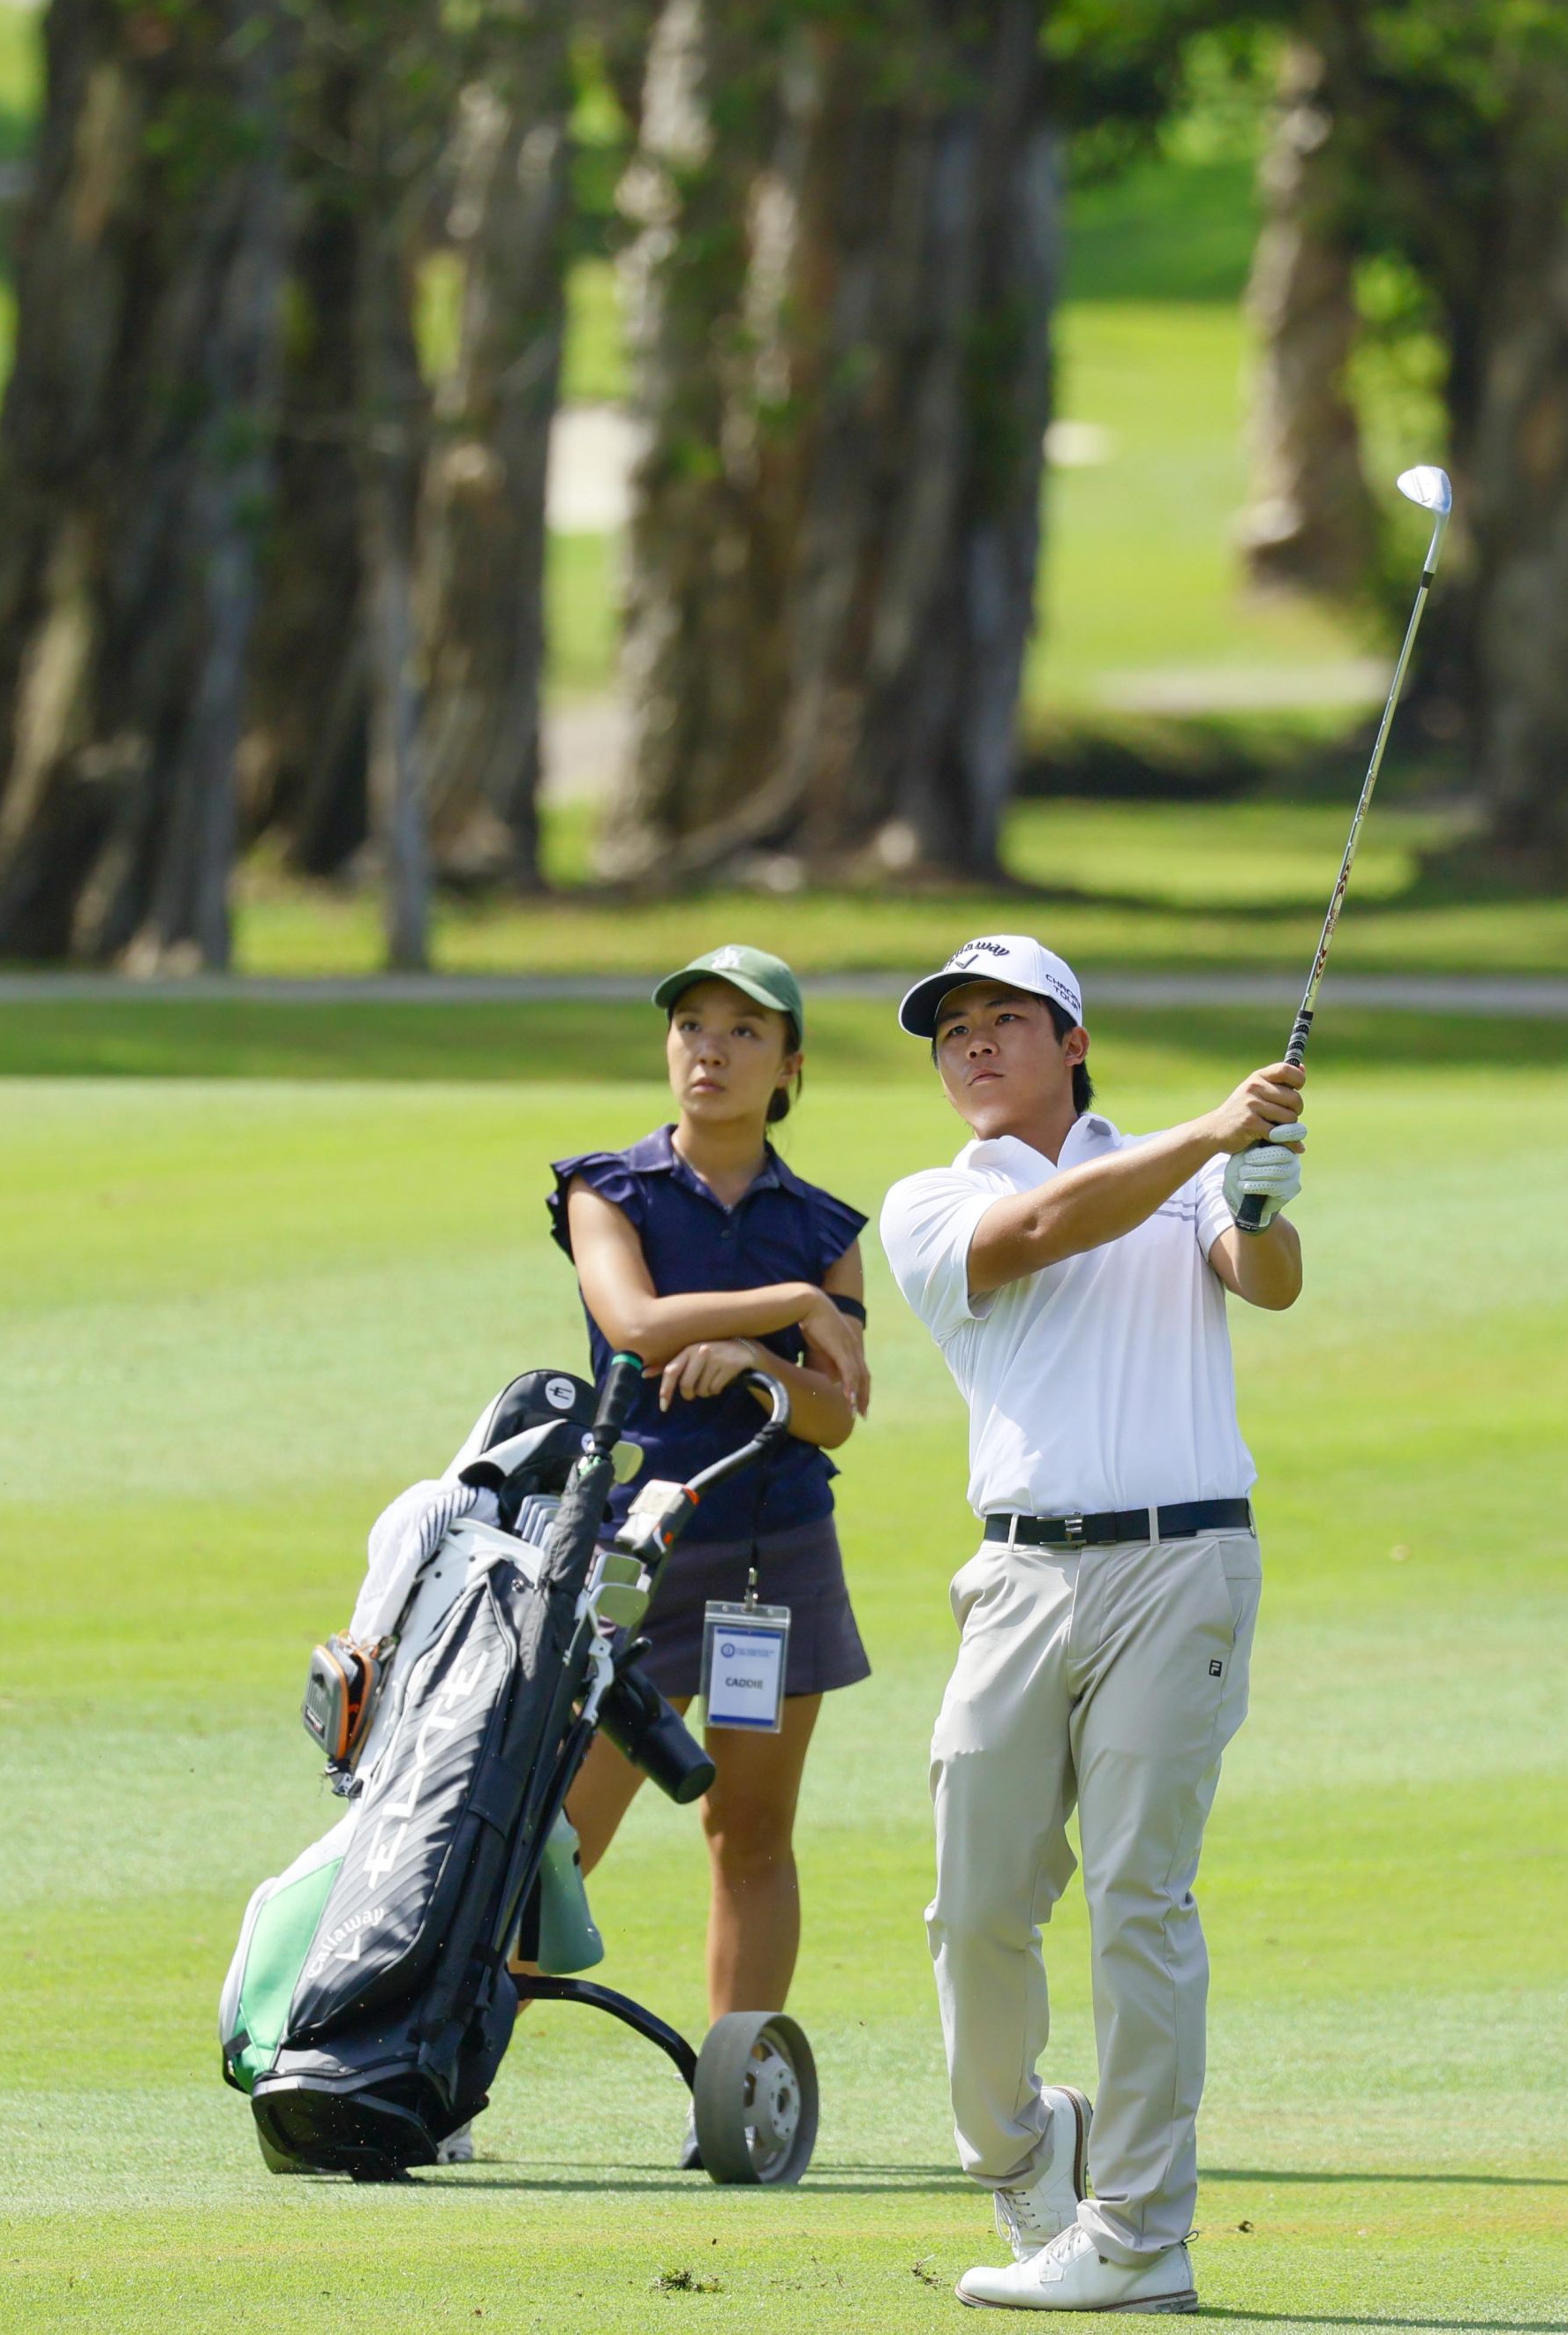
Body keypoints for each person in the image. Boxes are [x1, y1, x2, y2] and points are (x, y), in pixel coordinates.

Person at [876, 934, 1305, 2315]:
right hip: (1015, 1580)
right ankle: (1019, 2144)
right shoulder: (928, 1204)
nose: (975, 1044)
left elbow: (1269, 1278)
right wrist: (1210, 1134)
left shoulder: (1174, 1180)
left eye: (1007, 1019)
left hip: (1181, 1566)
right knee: (974, 1903)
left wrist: (1256, 1189)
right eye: (951, 1032)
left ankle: (1135, 2230)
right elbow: (1042, 1230)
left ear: (1072, 1040)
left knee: (1138, 1891)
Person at [546, 943, 875, 2042]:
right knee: (558, 1834)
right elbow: (632, 1327)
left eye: (744, 1033)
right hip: (630, 1554)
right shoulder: (611, 1190)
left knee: (752, 1833)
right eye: (693, 1026)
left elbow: (835, 1414)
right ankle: (454, 2075)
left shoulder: (826, 1226)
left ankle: (733, 2092)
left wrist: (762, 1365)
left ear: (789, 1064)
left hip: (771, 1550)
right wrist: (784, 1307)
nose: (712, 1052)